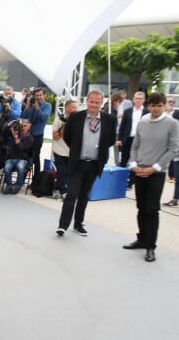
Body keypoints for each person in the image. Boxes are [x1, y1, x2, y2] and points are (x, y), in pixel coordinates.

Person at [122, 92, 179, 262]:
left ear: (164, 106)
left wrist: (154, 168)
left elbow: (174, 149)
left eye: (159, 105)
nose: (156, 109)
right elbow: (135, 146)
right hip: (140, 170)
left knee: (152, 210)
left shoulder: (172, 124)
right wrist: (133, 165)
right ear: (148, 105)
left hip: (156, 173)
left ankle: (150, 246)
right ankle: (141, 239)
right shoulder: (143, 122)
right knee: (140, 207)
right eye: (153, 105)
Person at [56, 90, 117, 237]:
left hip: (94, 164)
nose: (94, 105)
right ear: (87, 101)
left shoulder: (110, 120)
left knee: (84, 195)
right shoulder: (76, 117)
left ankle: (78, 224)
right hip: (77, 162)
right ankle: (63, 225)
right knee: (71, 194)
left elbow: (111, 140)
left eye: (97, 102)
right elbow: (67, 137)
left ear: (101, 104)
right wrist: (77, 149)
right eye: (92, 102)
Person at [117, 91, 149, 190]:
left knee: (135, 161)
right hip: (128, 139)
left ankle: (131, 182)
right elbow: (122, 125)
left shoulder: (147, 112)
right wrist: (119, 139)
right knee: (124, 160)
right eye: (136, 98)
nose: (138, 100)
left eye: (140, 98)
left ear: (144, 100)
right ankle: (120, 180)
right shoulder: (128, 111)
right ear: (133, 99)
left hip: (140, 140)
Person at [21, 87, 51, 178]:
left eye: (40, 95)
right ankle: (22, 179)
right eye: (36, 95)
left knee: (35, 158)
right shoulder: (31, 105)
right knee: (25, 157)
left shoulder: (47, 105)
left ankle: (36, 180)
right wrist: (28, 106)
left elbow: (43, 118)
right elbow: (24, 116)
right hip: (27, 135)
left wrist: (37, 108)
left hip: (37, 135)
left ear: (44, 95)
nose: (38, 97)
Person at [52, 100, 78, 199]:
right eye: (73, 107)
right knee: (61, 171)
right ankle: (63, 191)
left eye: (76, 107)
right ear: (67, 108)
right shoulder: (59, 120)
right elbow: (55, 137)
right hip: (59, 150)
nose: (75, 110)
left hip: (71, 151)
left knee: (68, 172)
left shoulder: (77, 120)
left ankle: (59, 190)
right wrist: (64, 127)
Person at [2, 119, 33, 194]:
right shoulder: (16, 132)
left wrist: (15, 136)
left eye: (25, 126)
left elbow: (21, 148)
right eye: (22, 126)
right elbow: (3, 132)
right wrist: (11, 123)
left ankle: (18, 186)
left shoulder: (30, 138)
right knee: (7, 167)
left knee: (21, 167)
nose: (23, 127)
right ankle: (9, 186)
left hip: (22, 159)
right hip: (11, 158)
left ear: (29, 126)